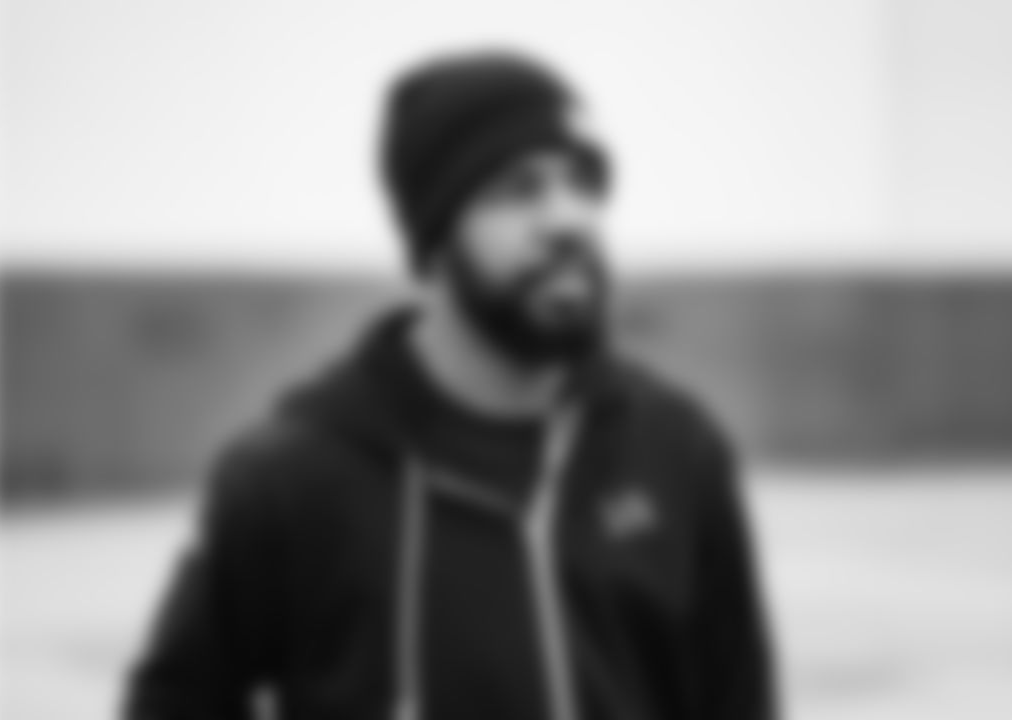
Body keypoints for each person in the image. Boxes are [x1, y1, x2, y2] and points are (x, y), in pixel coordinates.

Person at [125, 47, 778, 720]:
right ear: (435, 235)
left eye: (583, 183)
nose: (568, 219)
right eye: (520, 190)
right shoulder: (291, 480)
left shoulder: (675, 450)